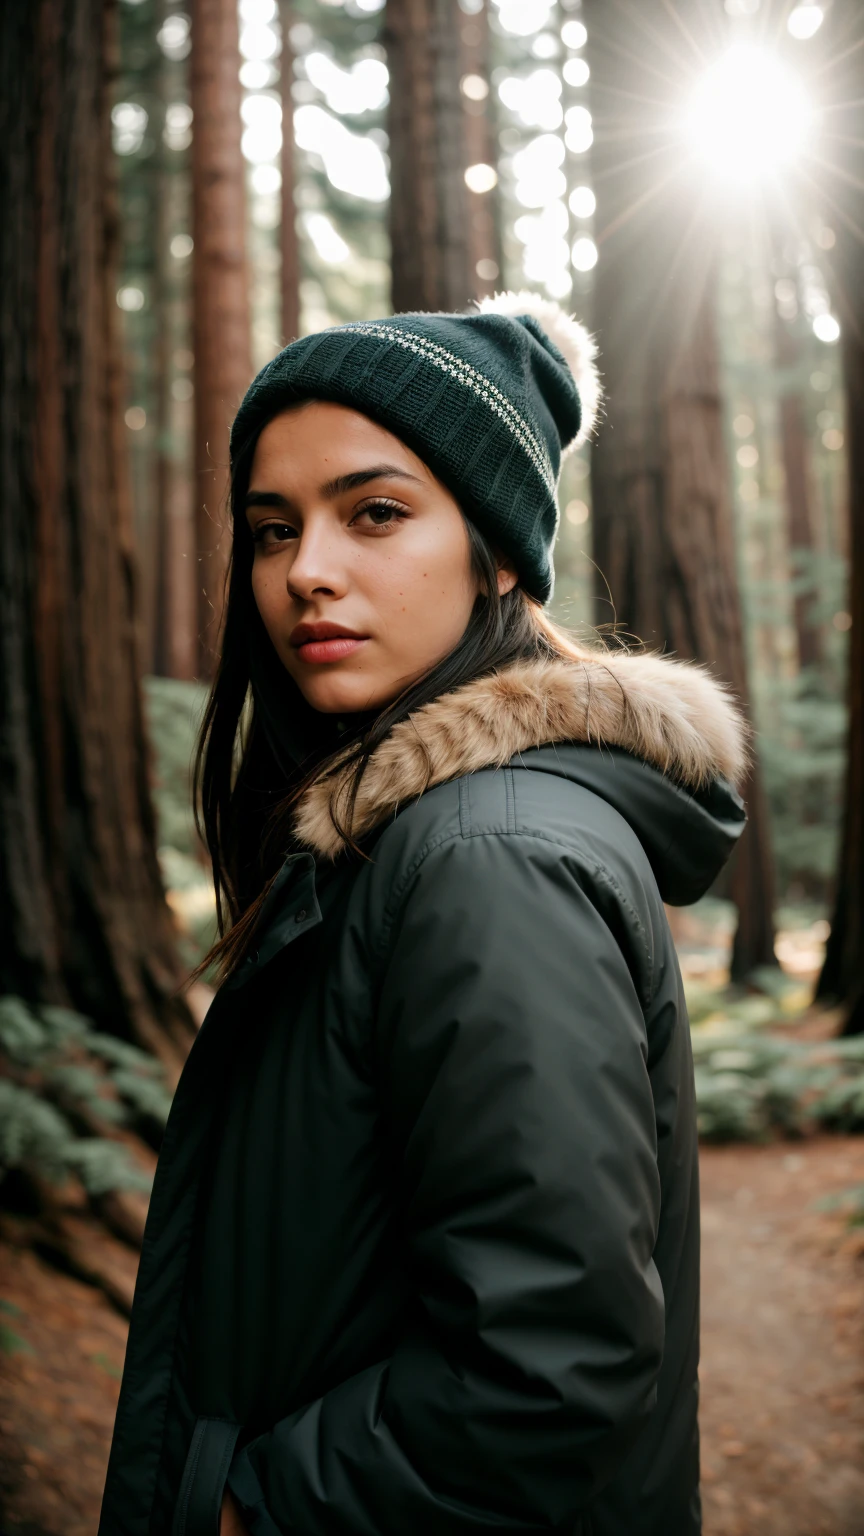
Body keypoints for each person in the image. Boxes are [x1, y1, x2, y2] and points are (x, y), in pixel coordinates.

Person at [99, 294, 747, 1536]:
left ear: (498, 551)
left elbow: (550, 1380)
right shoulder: (412, 835)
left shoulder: (486, 857)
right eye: (271, 528)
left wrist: (254, 1511)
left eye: (376, 512)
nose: (307, 572)